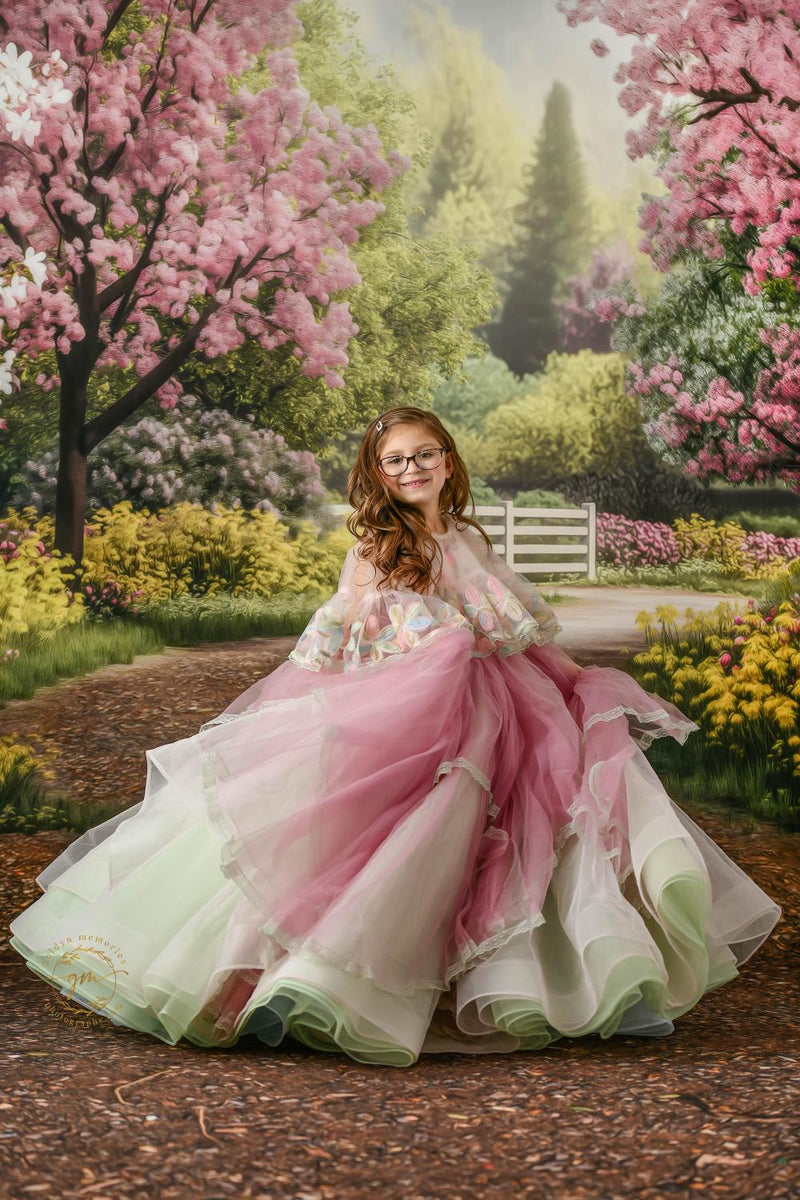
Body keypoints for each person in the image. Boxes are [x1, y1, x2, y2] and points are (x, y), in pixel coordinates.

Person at [8, 405, 781, 1067]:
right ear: (378, 475)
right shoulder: (377, 548)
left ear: (448, 460)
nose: (412, 468)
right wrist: (437, 643)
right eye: (394, 461)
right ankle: (312, 978)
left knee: (551, 806)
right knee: (406, 832)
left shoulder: (471, 539)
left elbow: (513, 634)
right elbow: (353, 642)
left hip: (510, 699)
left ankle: (563, 979)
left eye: (423, 455)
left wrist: (577, 683)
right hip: (425, 710)